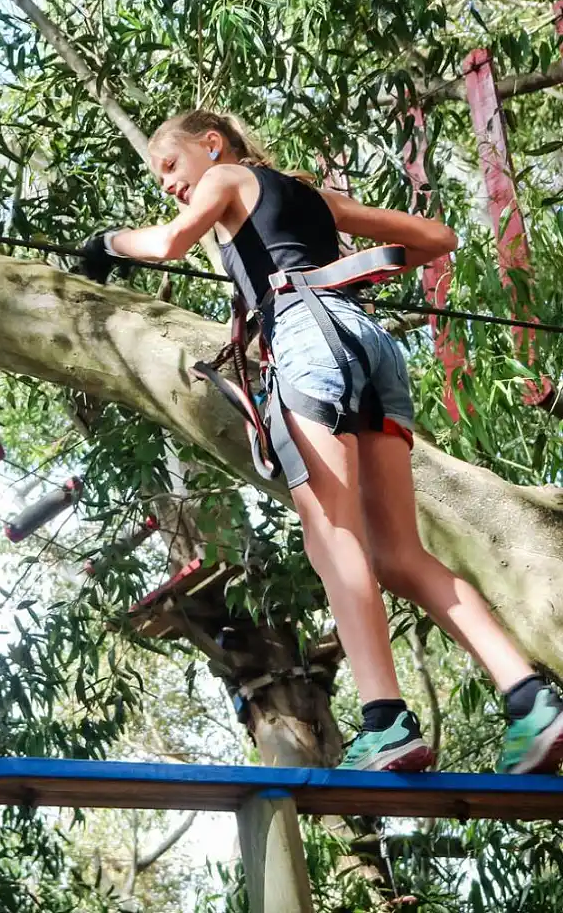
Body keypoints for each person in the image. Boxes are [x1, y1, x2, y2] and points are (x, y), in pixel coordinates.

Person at [82, 109, 562, 774]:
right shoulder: (309, 197)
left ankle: (385, 721)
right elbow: (434, 236)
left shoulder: (227, 178)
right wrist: (348, 273)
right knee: (398, 554)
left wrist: (105, 244)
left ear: (211, 145)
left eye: (169, 165)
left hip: (312, 344)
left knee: (331, 536)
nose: (167, 183)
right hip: (369, 347)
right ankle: (530, 698)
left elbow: (166, 244)